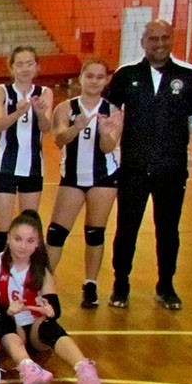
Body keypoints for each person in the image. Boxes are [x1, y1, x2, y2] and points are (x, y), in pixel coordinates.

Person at [106, 19, 192, 310]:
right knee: (126, 229)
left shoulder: (191, 76)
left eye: (165, 37)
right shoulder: (126, 74)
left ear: (172, 39)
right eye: (153, 39)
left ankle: (166, 286)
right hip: (133, 167)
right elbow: (108, 113)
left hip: (171, 167)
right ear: (143, 42)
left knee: (168, 230)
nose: (160, 44)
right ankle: (120, 284)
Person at [0, 210, 102, 384]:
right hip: (9, 330)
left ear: (37, 243)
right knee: (1, 319)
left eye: (30, 241)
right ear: (8, 238)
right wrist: (5, 308)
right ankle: (28, 367)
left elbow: (54, 306)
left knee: (49, 325)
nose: (23, 246)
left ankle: (83, 367)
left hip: (34, 331)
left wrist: (50, 310)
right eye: (18, 239)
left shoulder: (41, 270)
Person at [46, 59, 122, 309]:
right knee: (56, 232)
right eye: (90, 76)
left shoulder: (113, 111)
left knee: (94, 233)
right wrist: (75, 128)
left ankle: (90, 284)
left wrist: (105, 132)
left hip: (103, 177)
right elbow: (59, 139)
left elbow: (108, 147)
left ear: (106, 80)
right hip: (73, 177)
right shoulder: (66, 108)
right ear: (81, 77)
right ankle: (45, 282)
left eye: (100, 77)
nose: (94, 81)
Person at [0, 46, 53, 256]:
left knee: (30, 230)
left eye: (29, 64)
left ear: (37, 67)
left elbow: (46, 128)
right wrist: (18, 112)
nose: (25, 69)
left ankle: (29, 274)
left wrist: (40, 113)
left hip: (33, 167)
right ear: (12, 67)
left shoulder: (45, 92)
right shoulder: (1, 91)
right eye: (20, 64)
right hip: (5, 166)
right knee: (1, 233)